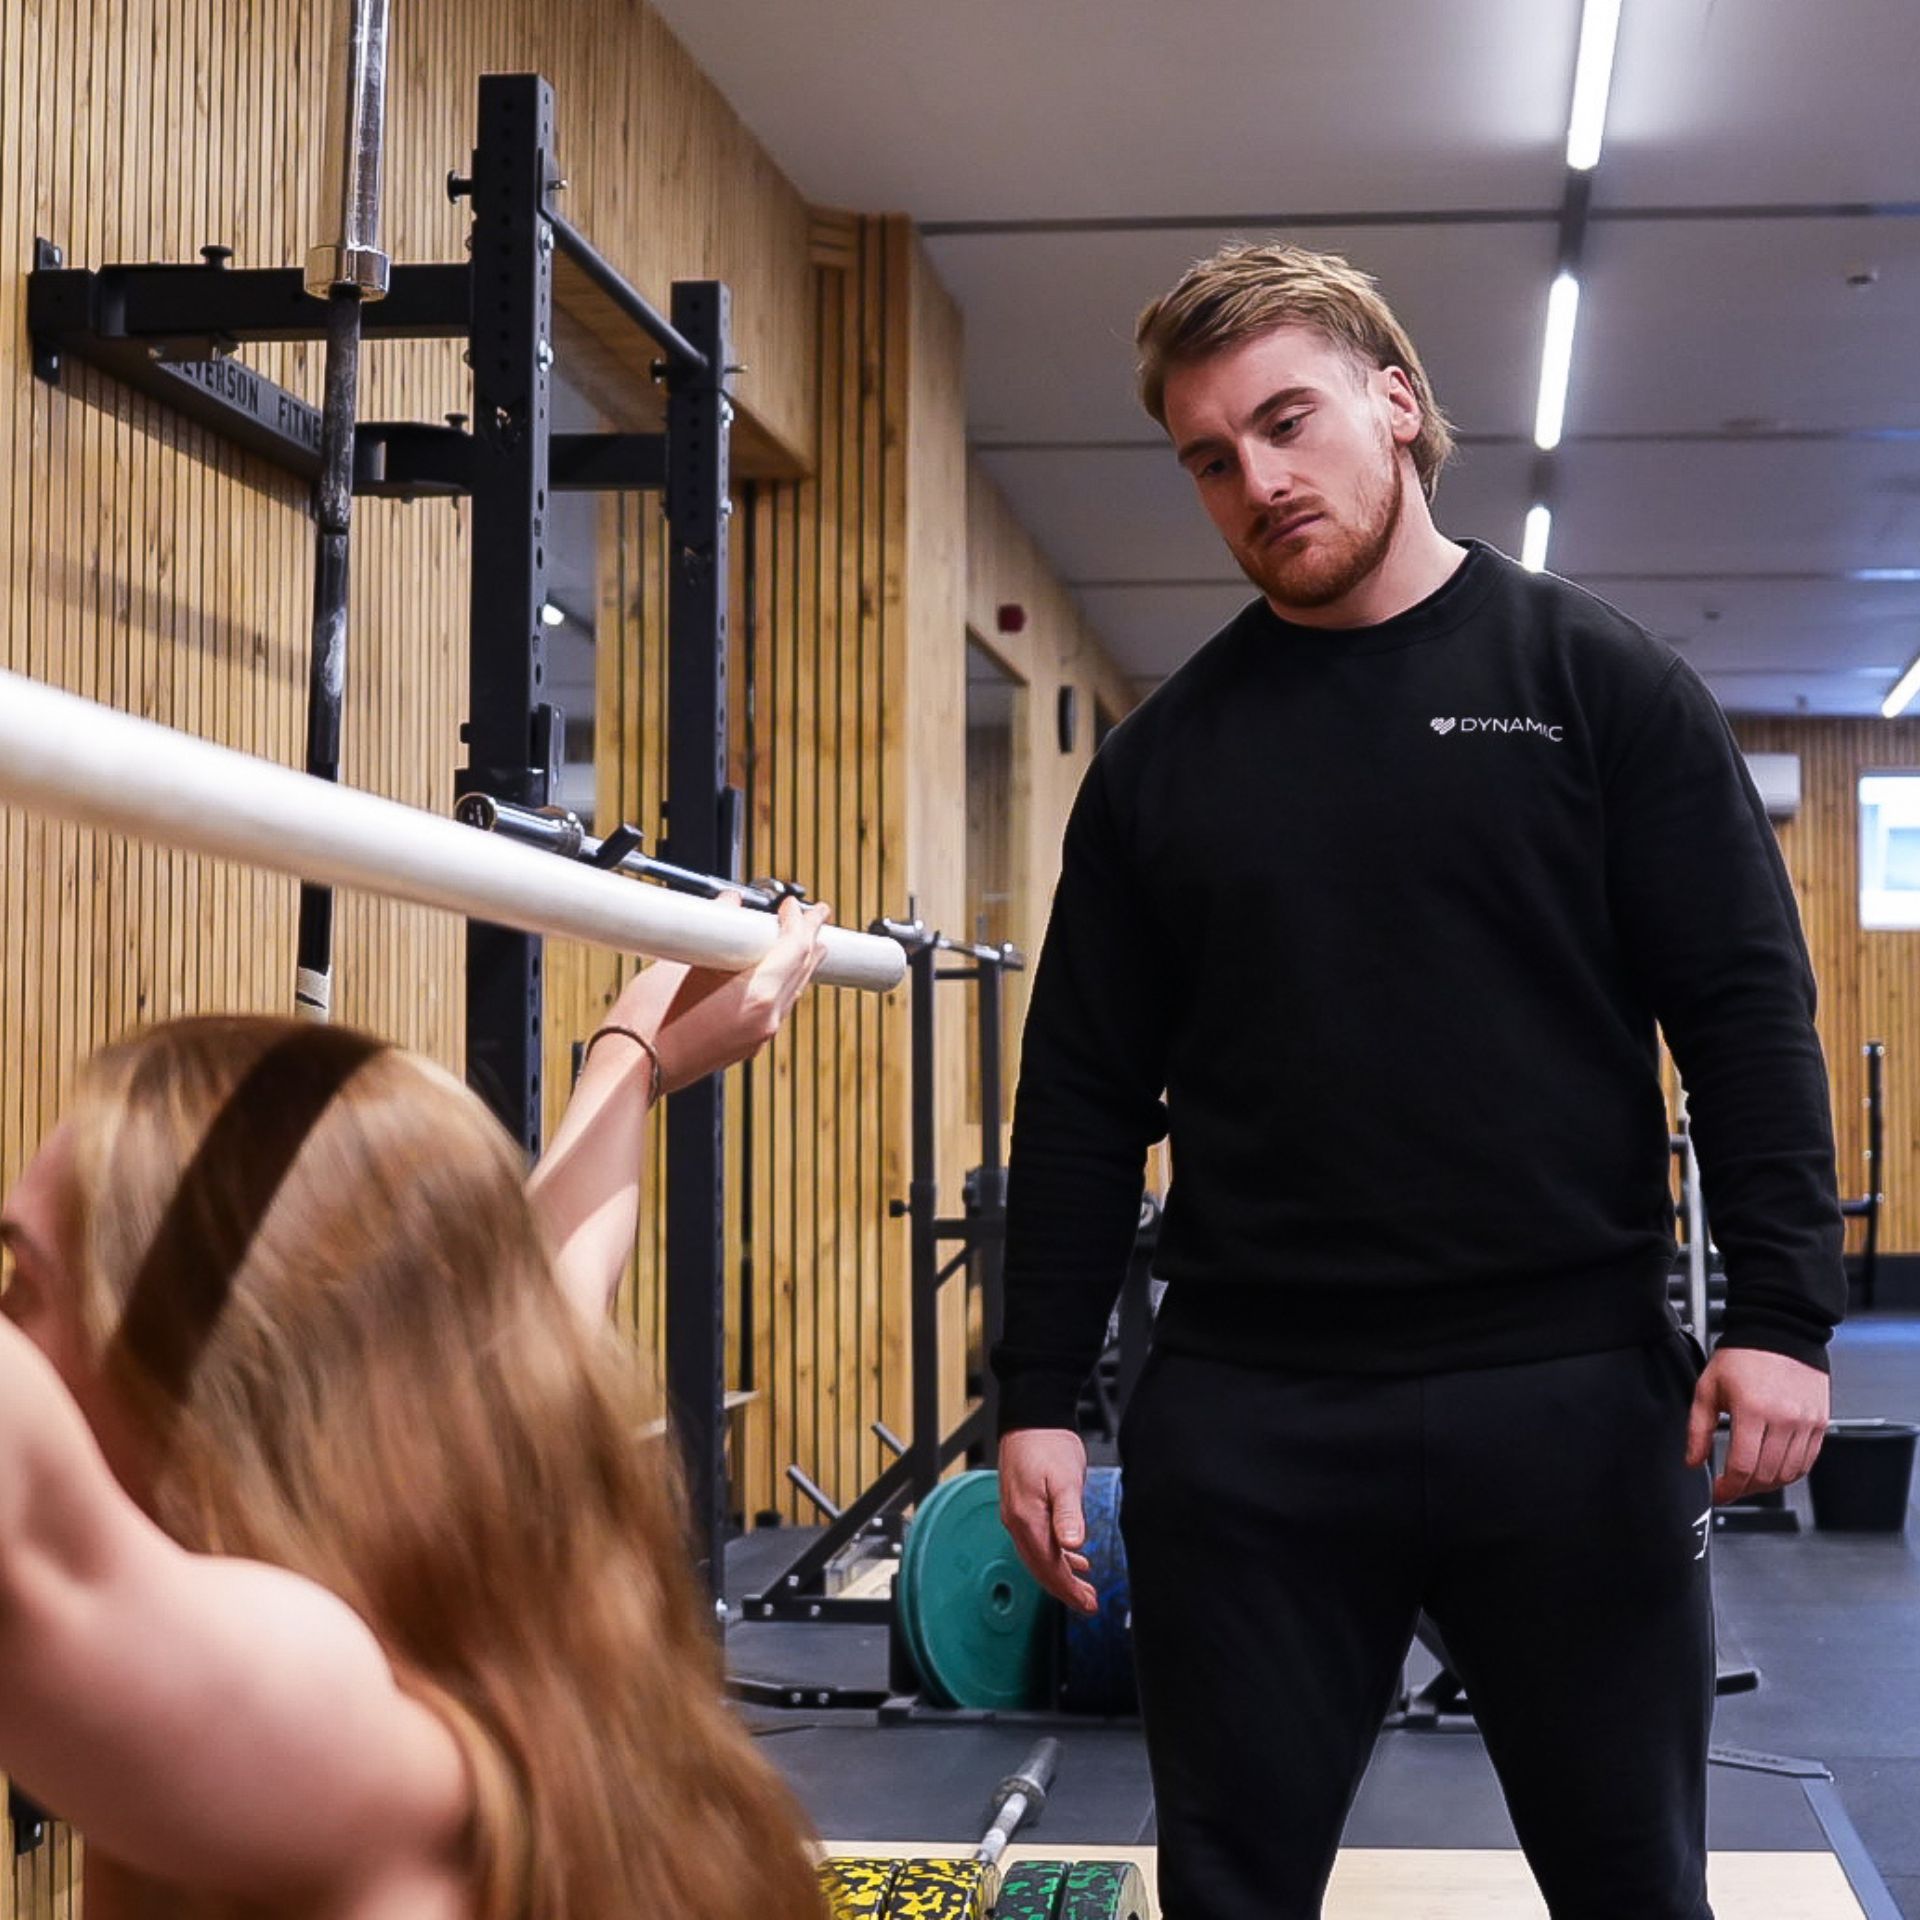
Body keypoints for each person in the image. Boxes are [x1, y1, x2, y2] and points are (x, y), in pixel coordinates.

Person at [993, 242, 1844, 1920]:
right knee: (1230, 1893)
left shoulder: (1596, 689)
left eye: (1289, 422)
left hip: (1570, 1397)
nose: (1259, 481)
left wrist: (1787, 1313)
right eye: (1212, 458)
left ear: (1398, 400)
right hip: (1256, 1416)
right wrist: (1034, 1391)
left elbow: (1745, 1011)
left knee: (1633, 1888)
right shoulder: (1167, 767)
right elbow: (1085, 1092)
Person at [0, 895, 832, 1920]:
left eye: (22, 1286)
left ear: (214, 1374)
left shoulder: (334, 1719)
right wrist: (635, 1052)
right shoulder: (483, 1596)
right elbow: (544, 1290)